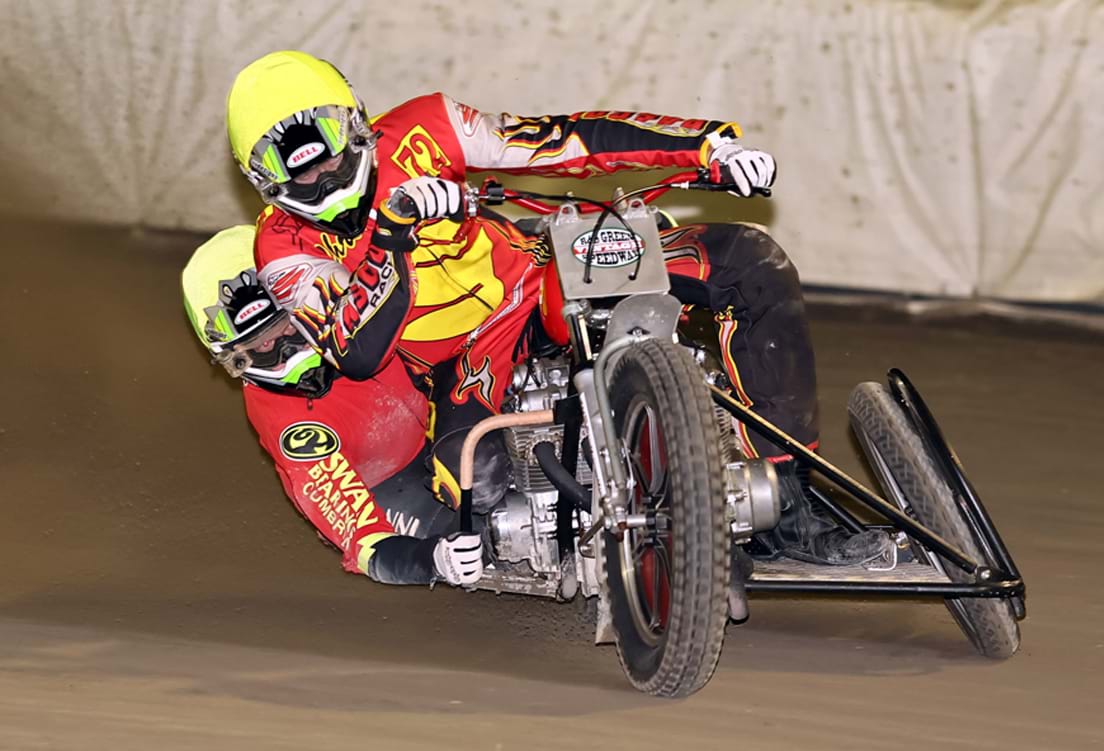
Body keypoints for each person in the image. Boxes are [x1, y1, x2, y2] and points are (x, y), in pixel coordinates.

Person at [225, 50, 890, 566]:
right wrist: (393, 235)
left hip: (536, 275)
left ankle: (788, 500)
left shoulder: (426, 128)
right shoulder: (279, 249)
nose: (321, 178)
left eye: (327, 154)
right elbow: (358, 351)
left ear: (356, 124)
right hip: (461, 364)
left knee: (750, 260)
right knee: (472, 487)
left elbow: (562, 141)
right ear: (263, 181)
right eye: (297, 172)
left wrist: (707, 146)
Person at [181, 225, 485, 587]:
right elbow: (364, 539)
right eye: (262, 346)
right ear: (231, 356)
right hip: (392, 485)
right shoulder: (291, 428)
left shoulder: (360, 296)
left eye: (289, 326)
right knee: (482, 525)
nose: (285, 350)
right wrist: (429, 560)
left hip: (442, 408)